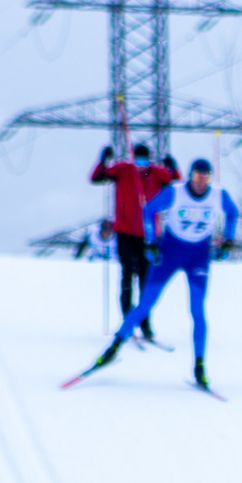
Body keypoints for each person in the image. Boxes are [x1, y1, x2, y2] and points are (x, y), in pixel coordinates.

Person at [79, 158, 236, 390]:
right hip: (170, 252)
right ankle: (113, 348)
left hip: (198, 256)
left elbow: (232, 213)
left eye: (205, 178)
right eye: (196, 177)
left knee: (197, 309)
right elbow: (149, 209)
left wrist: (228, 240)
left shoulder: (218, 195)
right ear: (189, 176)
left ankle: (199, 366)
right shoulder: (176, 191)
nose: (200, 183)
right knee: (146, 304)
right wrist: (151, 241)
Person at [87, 140, 176, 339]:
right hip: (125, 233)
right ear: (132, 157)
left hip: (149, 236)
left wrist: (173, 167)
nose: (141, 163)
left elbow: (176, 185)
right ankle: (127, 320)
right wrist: (103, 160)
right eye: (138, 158)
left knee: (146, 280)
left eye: (144, 159)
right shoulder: (124, 170)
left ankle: (145, 322)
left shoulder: (156, 173)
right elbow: (97, 177)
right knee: (127, 275)